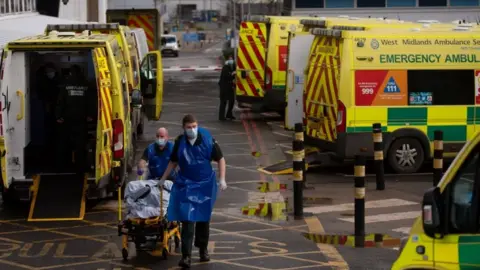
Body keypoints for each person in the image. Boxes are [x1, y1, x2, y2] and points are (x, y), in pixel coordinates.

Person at [160, 114, 227, 268]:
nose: (192, 130)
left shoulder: (207, 140)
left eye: (194, 126)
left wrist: (222, 178)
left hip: (205, 185)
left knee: (203, 219)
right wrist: (164, 177)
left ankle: (203, 250)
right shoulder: (179, 142)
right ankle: (186, 256)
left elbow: (221, 159)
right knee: (188, 219)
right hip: (187, 185)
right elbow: (174, 161)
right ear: (184, 128)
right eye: (189, 127)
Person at [55, 65, 95, 172]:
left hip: (67, 119)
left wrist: (58, 116)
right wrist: (90, 115)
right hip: (81, 119)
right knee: (80, 145)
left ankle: (62, 166)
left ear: (71, 73)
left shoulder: (66, 84)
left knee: (63, 143)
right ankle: (80, 167)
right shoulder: (86, 84)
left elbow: (60, 102)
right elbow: (91, 101)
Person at [218, 55, 236, 121]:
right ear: (227, 60)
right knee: (223, 102)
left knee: (232, 101)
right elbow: (227, 76)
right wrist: (232, 74)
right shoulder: (225, 67)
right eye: (230, 59)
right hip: (224, 87)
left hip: (229, 87)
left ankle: (229, 114)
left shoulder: (232, 66)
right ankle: (221, 117)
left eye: (232, 59)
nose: (231, 60)